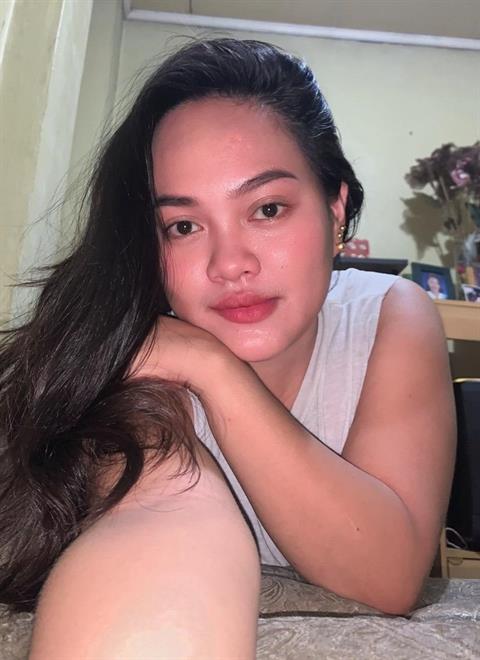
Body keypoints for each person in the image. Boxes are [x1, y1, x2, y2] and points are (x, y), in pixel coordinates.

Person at [0, 39, 455, 658]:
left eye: (267, 209)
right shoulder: (140, 364)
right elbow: (163, 521)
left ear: (335, 209)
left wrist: (212, 367)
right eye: (184, 226)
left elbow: (388, 574)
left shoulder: (389, 316)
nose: (230, 263)